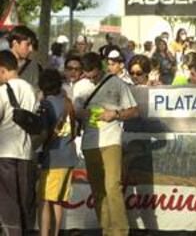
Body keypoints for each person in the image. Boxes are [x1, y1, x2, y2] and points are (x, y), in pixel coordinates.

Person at [74, 52, 139, 236]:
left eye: (94, 74)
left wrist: (115, 114)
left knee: (113, 186)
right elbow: (74, 111)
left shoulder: (117, 83)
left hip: (111, 139)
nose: (91, 78)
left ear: (101, 67)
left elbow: (134, 111)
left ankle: (120, 231)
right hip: (90, 141)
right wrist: (81, 114)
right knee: (97, 188)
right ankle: (107, 229)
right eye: (88, 75)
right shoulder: (80, 86)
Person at [0, 50, 37, 235]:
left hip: (5, 153)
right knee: (25, 201)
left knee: (8, 201)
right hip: (26, 153)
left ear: (2, 70)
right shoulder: (30, 89)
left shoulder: (1, 91)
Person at [37, 69, 78, 236]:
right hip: (68, 156)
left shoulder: (46, 105)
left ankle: (44, 234)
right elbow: (75, 129)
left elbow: (44, 133)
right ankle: (55, 232)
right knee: (58, 200)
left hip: (53, 158)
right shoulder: (67, 102)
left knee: (45, 200)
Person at [8, 25, 42, 91]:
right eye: (28, 44)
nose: (31, 49)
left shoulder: (34, 67)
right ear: (15, 43)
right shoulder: (2, 64)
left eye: (32, 45)